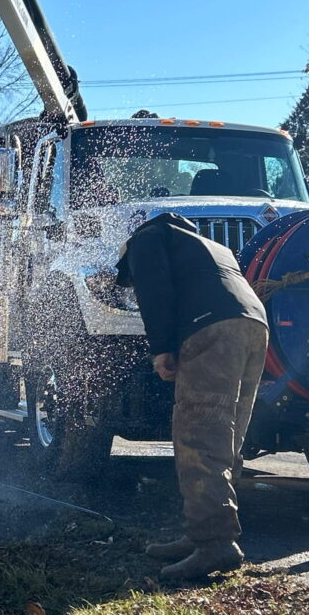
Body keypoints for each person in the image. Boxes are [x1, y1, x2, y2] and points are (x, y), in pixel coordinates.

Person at [116, 213, 268, 580]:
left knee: (198, 437)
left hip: (210, 328)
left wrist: (161, 348)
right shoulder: (209, 245)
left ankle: (215, 543)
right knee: (227, 438)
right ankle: (201, 534)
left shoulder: (146, 238)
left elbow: (154, 290)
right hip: (253, 325)